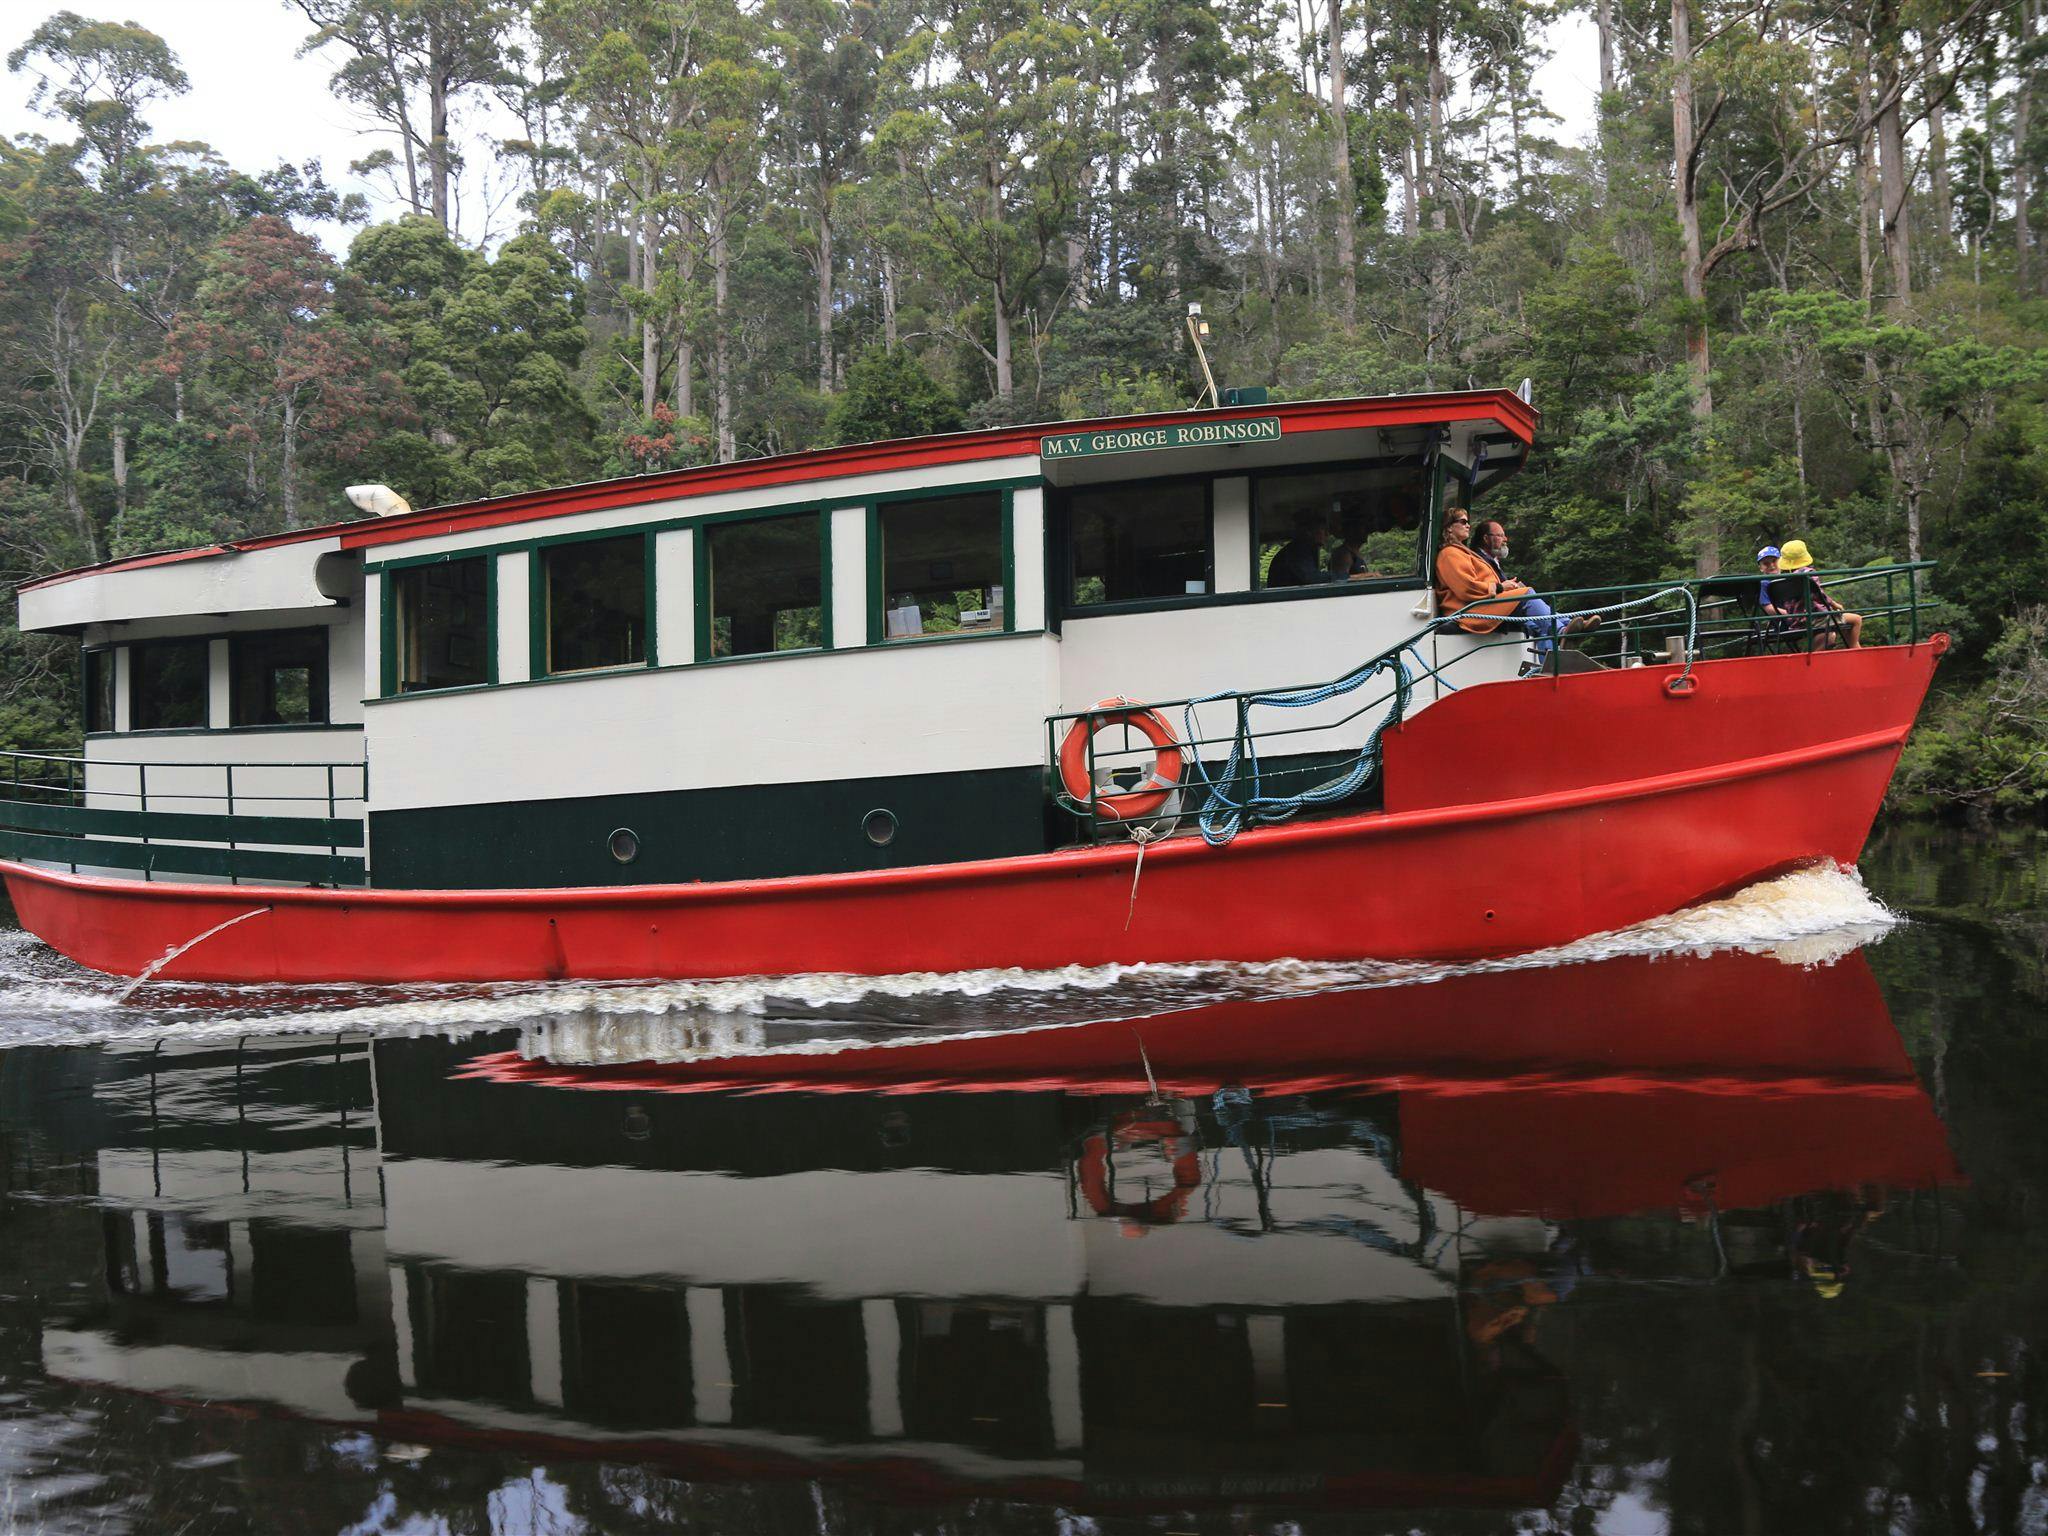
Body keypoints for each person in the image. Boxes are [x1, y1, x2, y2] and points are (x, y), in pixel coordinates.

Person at [1435, 510, 1596, 664]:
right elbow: (1466, 588)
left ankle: (1553, 660)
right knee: (1527, 594)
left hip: (1482, 605)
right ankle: (1562, 631)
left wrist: (1505, 588)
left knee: (1535, 622)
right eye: (1463, 522)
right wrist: (1500, 588)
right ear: (1449, 527)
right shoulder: (1450, 553)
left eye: (1468, 522)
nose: (1468, 525)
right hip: (1470, 611)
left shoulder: (1462, 552)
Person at [1775, 539, 1863, 648]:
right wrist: (1834, 604)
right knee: (1856, 620)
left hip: (1797, 623)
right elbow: (1820, 596)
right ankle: (1855, 651)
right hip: (1818, 619)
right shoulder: (1808, 574)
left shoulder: (1783, 581)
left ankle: (1853, 650)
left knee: (1842, 626)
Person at [1269, 512, 1332, 586]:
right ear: (1309, 532)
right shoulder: (1297, 551)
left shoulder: (1304, 549)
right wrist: (1342, 576)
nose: (1327, 534)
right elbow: (1311, 578)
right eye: (1323, 529)